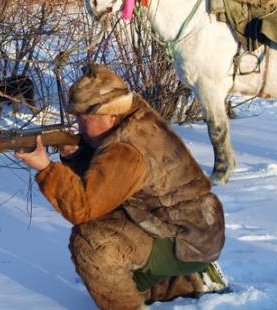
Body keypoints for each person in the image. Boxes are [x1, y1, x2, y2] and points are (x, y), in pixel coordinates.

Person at [14, 65, 227, 310]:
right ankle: (187, 281)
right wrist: (75, 157)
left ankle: (163, 285)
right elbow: (107, 183)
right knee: (105, 240)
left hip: (186, 240)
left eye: (85, 120)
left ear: (111, 115)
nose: (79, 129)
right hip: (188, 226)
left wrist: (45, 168)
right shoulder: (134, 120)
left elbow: (82, 209)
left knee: (92, 244)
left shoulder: (127, 148)